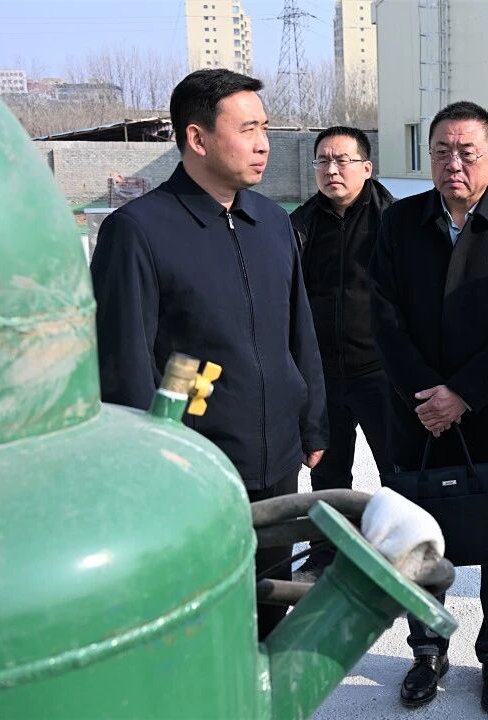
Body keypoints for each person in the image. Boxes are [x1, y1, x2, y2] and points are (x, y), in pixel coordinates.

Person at [91, 69, 328, 641]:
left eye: (264, 128)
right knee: (205, 621)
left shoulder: (272, 222)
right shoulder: (138, 230)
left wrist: (313, 422)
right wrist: (152, 465)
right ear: (197, 138)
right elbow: (123, 363)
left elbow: (299, 331)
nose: (264, 144)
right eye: (247, 129)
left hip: (278, 463)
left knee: (269, 607)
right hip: (195, 469)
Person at [370, 100, 488, 715]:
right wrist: (427, 395)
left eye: (467, 152)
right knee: (419, 541)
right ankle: (427, 649)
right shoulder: (399, 223)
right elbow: (383, 317)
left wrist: (463, 395)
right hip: (416, 411)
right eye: (442, 151)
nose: (454, 163)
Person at [289, 126, 394, 576]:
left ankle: (396, 556)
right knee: (327, 475)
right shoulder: (299, 225)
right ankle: (326, 556)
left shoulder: (395, 220)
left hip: (382, 373)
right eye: (322, 161)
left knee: (398, 470)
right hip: (323, 374)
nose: (331, 170)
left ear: (366, 168)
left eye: (342, 161)